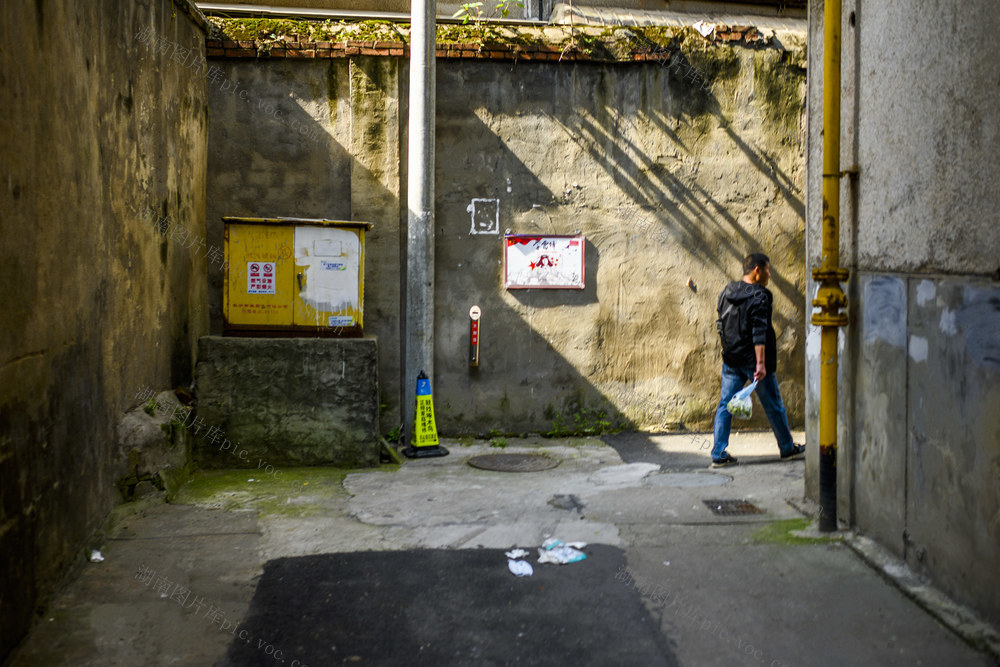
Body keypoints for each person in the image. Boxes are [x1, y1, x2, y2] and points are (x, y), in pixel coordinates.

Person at [710, 253, 804, 467]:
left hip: (732, 360)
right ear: (757, 271)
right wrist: (760, 364)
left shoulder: (726, 292)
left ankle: (718, 453)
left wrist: (729, 352)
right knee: (774, 405)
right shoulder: (760, 295)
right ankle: (787, 448)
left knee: (725, 405)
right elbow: (758, 330)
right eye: (768, 270)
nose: (770, 275)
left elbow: (721, 325)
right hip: (755, 364)